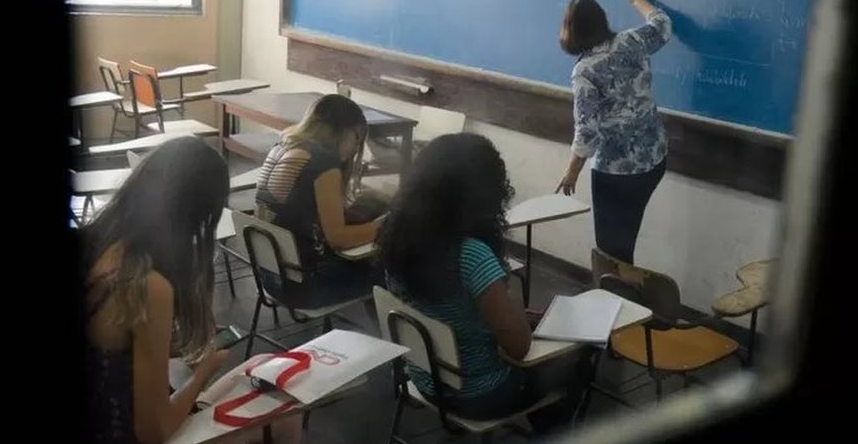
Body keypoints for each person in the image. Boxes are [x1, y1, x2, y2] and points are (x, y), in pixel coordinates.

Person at [81, 136, 302, 443]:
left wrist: (168, 345)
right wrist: (202, 374)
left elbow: (112, 349)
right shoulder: (146, 284)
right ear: (199, 215)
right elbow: (153, 432)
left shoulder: (97, 240)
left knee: (256, 369)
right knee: (285, 414)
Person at [380, 133, 578, 434]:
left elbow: (450, 311)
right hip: (481, 394)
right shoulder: (470, 255)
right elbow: (520, 347)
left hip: (426, 378)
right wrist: (512, 310)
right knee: (578, 358)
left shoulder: (396, 236)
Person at [556, 0, 673, 264]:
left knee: (612, 255)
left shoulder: (584, 71)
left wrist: (571, 173)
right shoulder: (632, 40)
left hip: (618, 173)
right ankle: (626, 299)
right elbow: (663, 23)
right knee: (623, 246)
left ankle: (621, 304)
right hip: (654, 159)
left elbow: (586, 130)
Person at [255, 94, 383, 308]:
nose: (355, 150)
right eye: (357, 140)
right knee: (387, 271)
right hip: (306, 286)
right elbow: (338, 238)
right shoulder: (322, 162)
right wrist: (383, 228)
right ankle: (375, 339)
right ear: (346, 132)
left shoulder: (283, 145)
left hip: (271, 276)